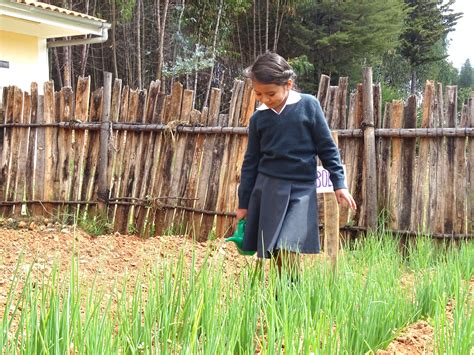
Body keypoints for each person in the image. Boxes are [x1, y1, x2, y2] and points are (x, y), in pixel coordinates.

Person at [236, 52, 357, 275]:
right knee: (277, 248)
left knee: (289, 243)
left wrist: (339, 184)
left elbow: (327, 148)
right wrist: (244, 203)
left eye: (270, 93)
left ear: (288, 84)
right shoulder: (258, 119)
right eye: (258, 94)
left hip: (301, 189)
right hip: (268, 188)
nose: (264, 99)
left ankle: (289, 291)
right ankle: (284, 295)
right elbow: (250, 163)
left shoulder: (308, 106)